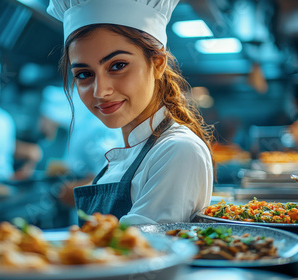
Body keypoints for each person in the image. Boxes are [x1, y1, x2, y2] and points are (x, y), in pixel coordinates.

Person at [47, 0, 214, 225]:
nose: (101, 91)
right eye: (85, 74)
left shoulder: (178, 150)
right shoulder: (131, 151)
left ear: (157, 63)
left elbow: (136, 253)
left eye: (117, 66)